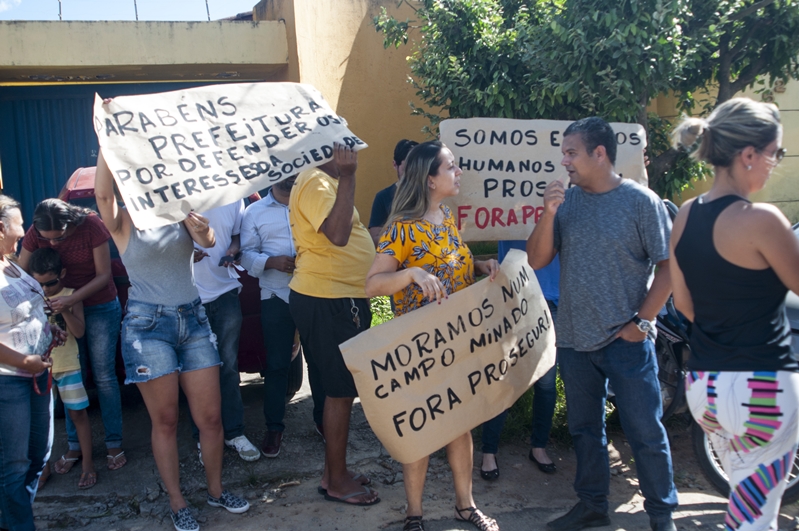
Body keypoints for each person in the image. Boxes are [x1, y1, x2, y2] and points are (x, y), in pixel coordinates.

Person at [527, 117, 678, 531]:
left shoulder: (640, 201)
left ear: (600, 153)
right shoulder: (569, 202)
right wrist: (548, 212)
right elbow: (538, 259)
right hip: (575, 341)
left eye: (571, 152)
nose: (564, 161)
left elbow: (668, 267)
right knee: (584, 430)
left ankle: (662, 516)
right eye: (564, 152)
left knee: (645, 432)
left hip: (626, 342)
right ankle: (592, 504)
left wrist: (642, 324)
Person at [94, 148, 249, 531]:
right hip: (148, 327)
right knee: (165, 420)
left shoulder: (179, 213)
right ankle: (178, 502)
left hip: (193, 320)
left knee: (211, 419)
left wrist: (201, 229)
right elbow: (102, 196)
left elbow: (211, 240)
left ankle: (216, 490)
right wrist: (106, 143)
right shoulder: (123, 222)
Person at [670, 98, 799, 531]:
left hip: (705, 388)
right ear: (748, 155)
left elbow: (684, 305)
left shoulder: (687, 215)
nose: (773, 164)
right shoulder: (762, 220)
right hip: (761, 386)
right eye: (774, 154)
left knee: (747, 509)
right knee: (755, 520)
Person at [365, 140, 500, 531]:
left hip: (457, 344)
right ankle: (414, 515)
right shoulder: (401, 230)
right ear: (429, 179)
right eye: (452, 167)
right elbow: (372, 285)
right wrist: (410, 274)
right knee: (420, 431)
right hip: (419, 352)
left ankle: (464, 506)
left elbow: (452, 267)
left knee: (460, 426)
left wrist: (479, 264)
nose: (458, 173)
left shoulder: (448, 219)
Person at [288, 143, 379, 506]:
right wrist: (349, 175)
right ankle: (337, 481)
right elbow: (339, 234)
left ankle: (333, 472)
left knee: (336, 389)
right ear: (328, 147)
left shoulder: (322, 181)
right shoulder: (315, 181)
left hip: (337, 299)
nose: (353, 149)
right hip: (329, 300)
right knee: (339, 392)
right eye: (345, 143)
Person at [18, 198, 126, 473]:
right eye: (47, 239)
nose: (53, 244)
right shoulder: (34, 232)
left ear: (71, 224)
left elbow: (104, 275)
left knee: (103, 375)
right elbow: (22, 274)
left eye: (60, 237)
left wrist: (70, 300)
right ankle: (74, 445)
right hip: (60, 306)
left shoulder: (91, 225)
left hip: (98, 305)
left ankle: (114, 442)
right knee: (69, 373)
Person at [240, 176, 326, 457]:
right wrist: (270, 262)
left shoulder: (313, 203)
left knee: (318, 360)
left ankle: (323, 421)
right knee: (276, 365)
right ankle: (274, 428)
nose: (290, 178)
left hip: (313, 292)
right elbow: (246, 255)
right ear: (272, 175)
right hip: (276, 295)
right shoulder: (254, 212)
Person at [0, 195, 63, 531]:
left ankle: (16, 520)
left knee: (39, 455)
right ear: (0, 228)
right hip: (8, 381)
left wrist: (47, 328)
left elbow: (29, 310)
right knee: (12, 465)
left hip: (36, 374)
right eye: (18, 222)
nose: (24, 230)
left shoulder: (10, 265)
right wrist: (25, 359)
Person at [479, 244, 559, 479]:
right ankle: (488, 451)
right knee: (505, 377)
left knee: (547, 381)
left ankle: (539, 447)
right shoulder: (507, 208)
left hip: (552, 298)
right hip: (514, 296)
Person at [190, 199, 260, 463]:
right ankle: (202, 438)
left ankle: (234, 433)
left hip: (225, 292)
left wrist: (232, 251)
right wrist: (184, 251)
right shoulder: (176, 192)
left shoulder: (232, 193)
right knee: (195, 373)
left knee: (228, 367)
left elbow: (238, 236)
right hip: (189, 297)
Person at [30, 248, 96, 490]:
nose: (46, 289)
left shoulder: (72, 295)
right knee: (42, 419)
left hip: (69, 364)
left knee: (78, 413)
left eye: (51, 283)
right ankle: (43, 467)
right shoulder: (32, 297)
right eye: (40, 284)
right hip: (40, 367)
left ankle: (88, 463)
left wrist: (65, 308)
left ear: (63, 274)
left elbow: (79, 332)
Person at [368, 139, 419, 245]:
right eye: (406, 169)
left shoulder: (431, 193)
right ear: (395, 165)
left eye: (416, 169)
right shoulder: (383, 196)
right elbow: (375, 240)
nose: (412, 174)